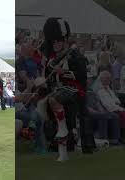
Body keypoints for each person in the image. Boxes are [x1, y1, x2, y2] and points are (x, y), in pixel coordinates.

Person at [40, 18, 95, 161]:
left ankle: (67, 134)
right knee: (49, 108)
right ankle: (62, 150)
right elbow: (48, 77)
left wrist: (62, 73)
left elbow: (81, 76)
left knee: (53, 100)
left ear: (64, 40)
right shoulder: (51, 58)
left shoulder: (74, 55)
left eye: (59, 41)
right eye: (54, 41)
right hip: (58, 90)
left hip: (75, 90)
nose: (56, 44)